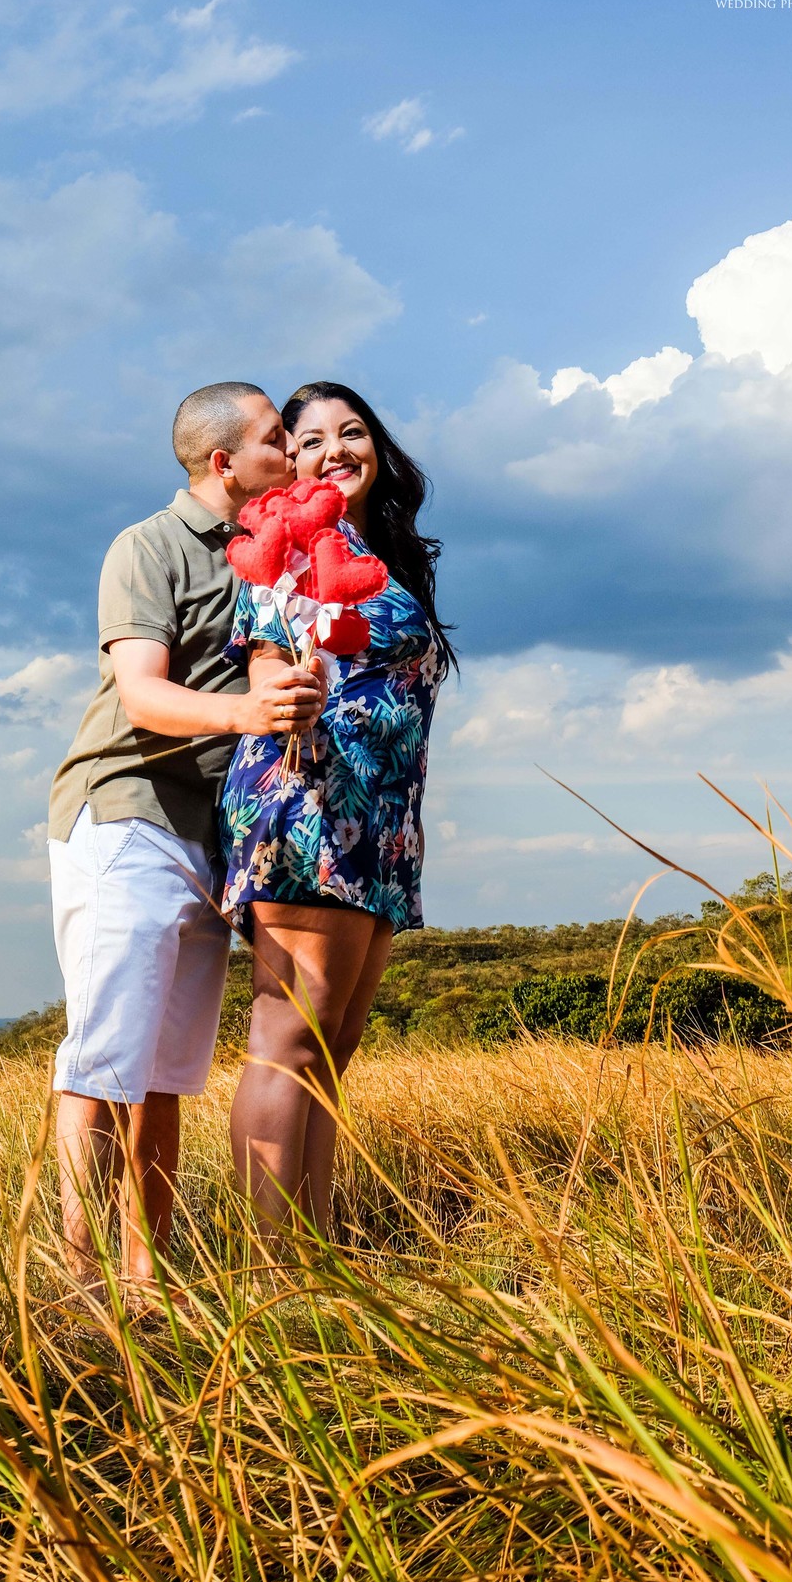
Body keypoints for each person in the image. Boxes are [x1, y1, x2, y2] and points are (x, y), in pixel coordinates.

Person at [47, 382, 325, 1301]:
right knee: (102, 1060)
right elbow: (142, 695)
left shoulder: (273, 556)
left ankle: (144, 1280)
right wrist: (250, 713)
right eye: (279, 439)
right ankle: (76, 1281)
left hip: (211, 835)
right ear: (225, 462)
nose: (296, 452)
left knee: (165, 1073)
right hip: (128, 810)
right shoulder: (149, 546)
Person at [220, 381, 457, 1234]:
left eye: (352, 432)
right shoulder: (282, 545)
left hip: (384, 820)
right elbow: (265, 659)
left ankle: (315, 1256)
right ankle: (268, 1269)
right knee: (290, 1041)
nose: (335, 451)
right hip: (311, 794)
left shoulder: (379, 554)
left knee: (334, 1045)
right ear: (289, 460)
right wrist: (289, 689)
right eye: (311, 439)